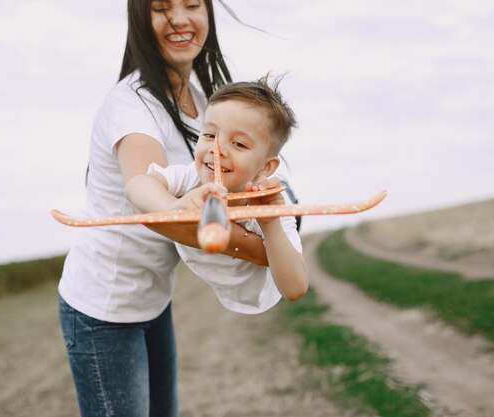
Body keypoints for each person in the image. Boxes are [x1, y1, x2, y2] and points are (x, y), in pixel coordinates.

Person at [57, 1, 298, 416]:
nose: (181, 18)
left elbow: (244, 165)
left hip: (153, 295)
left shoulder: (205, 95)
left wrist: (281, 212)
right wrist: (266, 249)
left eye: (192, 4)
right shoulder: (131, 106)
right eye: (161, 8)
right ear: (139, 19)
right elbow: (147, 196)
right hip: (105, 305)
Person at [126, 77, 308, 314]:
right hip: (227, 286)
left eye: (239, 144)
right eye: (210, 135)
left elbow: (295, 289)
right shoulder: (191, 176)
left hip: (261, 290)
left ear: (266, 166)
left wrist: (270, 222)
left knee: (282, 198)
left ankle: (285, 189)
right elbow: (136, 185)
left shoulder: (270, 206)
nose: (217, 149)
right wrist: (174, 207)